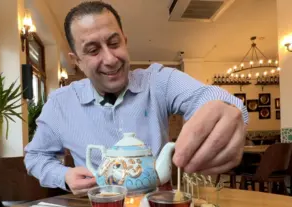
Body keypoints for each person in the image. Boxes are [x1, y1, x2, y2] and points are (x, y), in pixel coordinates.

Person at [24, 1, 249, 195]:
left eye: (114, 43)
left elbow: (215, 98)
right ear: (77, 61)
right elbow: (35, 156)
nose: (111, 59)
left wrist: (226, 110)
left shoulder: (158, 81)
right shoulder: (60, 104)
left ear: (125, 40)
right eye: (93, 50)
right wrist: (64, 175)